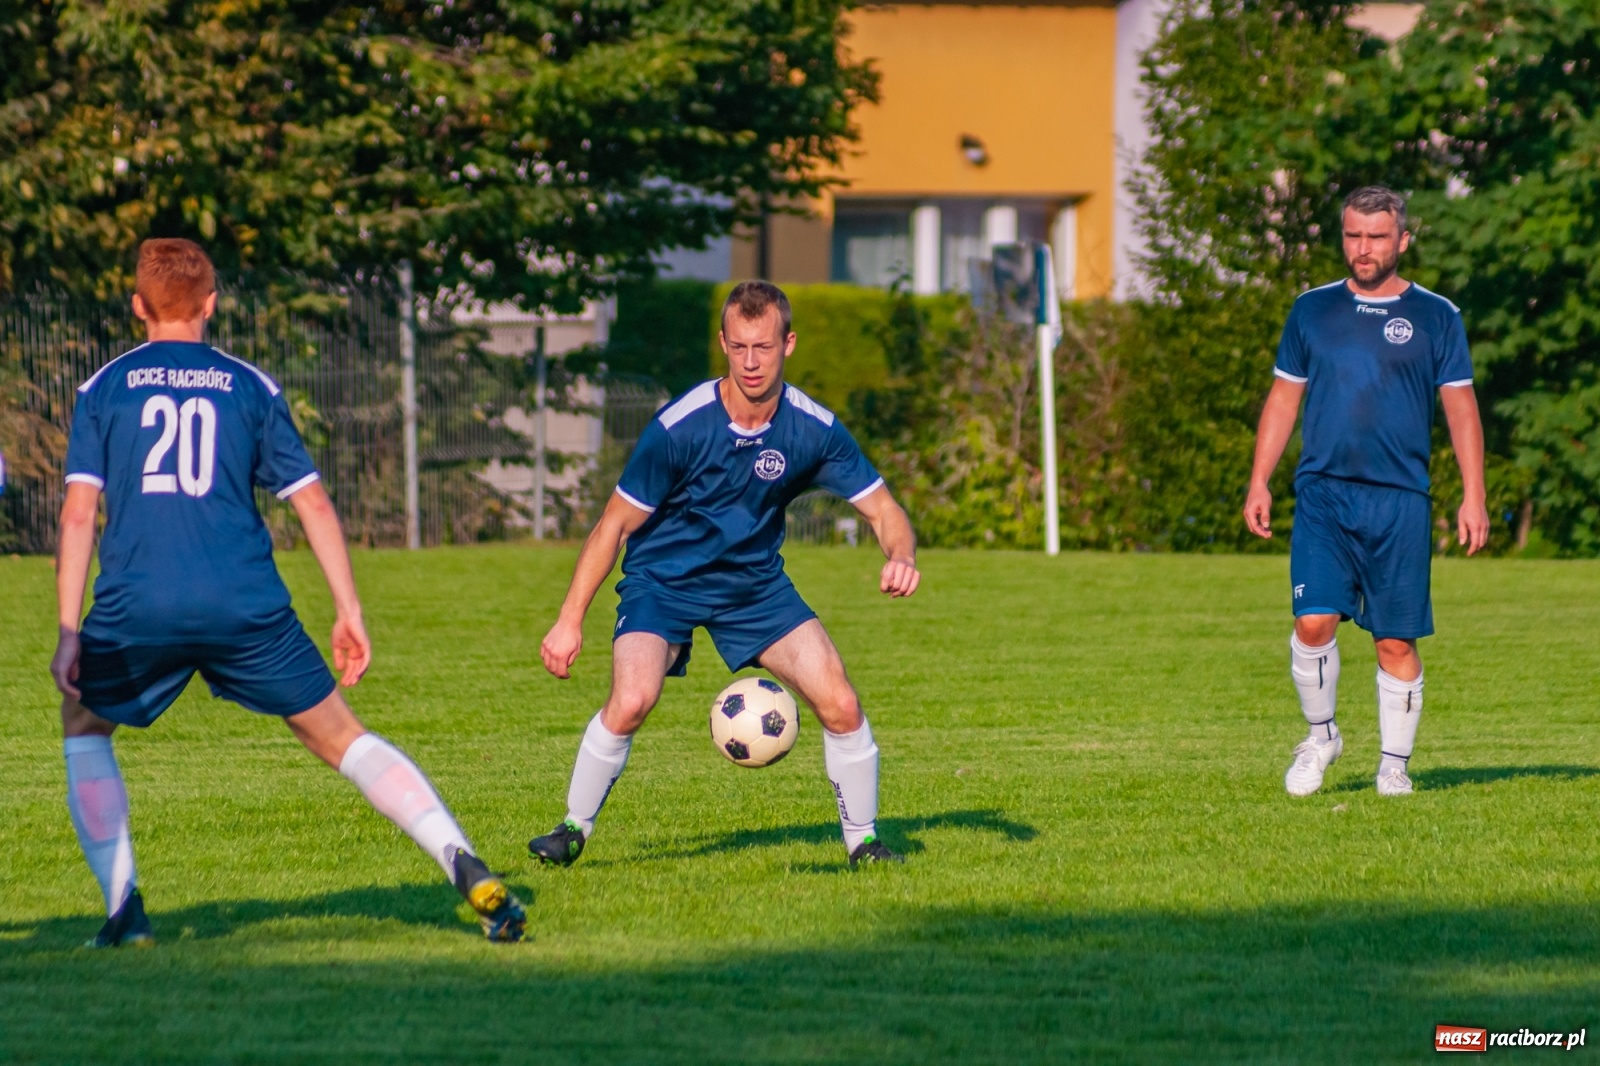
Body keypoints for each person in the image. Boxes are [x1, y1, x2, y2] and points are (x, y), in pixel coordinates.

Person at [52, 238, 526, 946]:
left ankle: (124, 909)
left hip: (139, 601)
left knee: (84, 725)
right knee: (343, 737)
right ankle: (461, 859)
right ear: (211, 304)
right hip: (245, 602)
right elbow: (314, 506)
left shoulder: (106, 388)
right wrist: (350, 610)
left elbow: (79, 514)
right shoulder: (249, 385)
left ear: (137, 307)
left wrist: (68, 630)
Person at [530, 280, 921, 868]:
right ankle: (571, 828)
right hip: (662, 581)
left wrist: (901, 555)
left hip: (753, 587)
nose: (751, 361)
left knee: (839, 701)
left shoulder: (813, 429)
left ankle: (863, 842)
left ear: (789, 343)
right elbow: (611, 526)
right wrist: (568, 621)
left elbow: (884, 508)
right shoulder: (680, 427)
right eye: (738, 348)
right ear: (723, 344)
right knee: (633, 698)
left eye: (763, 346)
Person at [1244, 186, 1490, 797]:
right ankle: (1321, 736)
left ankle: (1393, 767)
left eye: (1377, 236)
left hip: (1400, 499)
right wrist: (1260, 480)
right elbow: (1283, 398)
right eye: (1354, 235)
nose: (1364, 247)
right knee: (1313, 621)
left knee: (1394, 640)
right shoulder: (1312, 311)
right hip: (1324, 493)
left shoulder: (1438, 316)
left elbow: (1461, 410)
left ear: (1402, 241)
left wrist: (1473, 494)